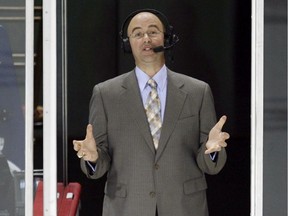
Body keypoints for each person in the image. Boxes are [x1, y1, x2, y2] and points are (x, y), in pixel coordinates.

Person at [73, 8, 230, 216]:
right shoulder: (105, 94)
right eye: (137, 33)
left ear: (166, 38)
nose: (146, 38)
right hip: (127, 208)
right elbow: (100, 165)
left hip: (184, 207)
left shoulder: (197, 91)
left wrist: (212, 151)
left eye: (153, 32)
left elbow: (209, 165)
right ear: (128, 42)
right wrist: (92, 157)